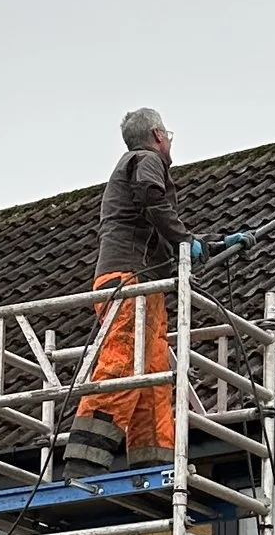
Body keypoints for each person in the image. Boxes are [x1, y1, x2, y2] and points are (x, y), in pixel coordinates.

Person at [65, 109, 192, 476]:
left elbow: (159, 232)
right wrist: (186, 241)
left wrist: (200, 248)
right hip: (126, 282)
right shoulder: (146, 160)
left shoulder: (135, 163)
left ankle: (153, 464)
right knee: (122, 363)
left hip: (142, 286)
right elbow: (154, 201)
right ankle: (84, 461)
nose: (168, 141)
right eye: (167, 133)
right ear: (156, 134)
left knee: (151, 374)